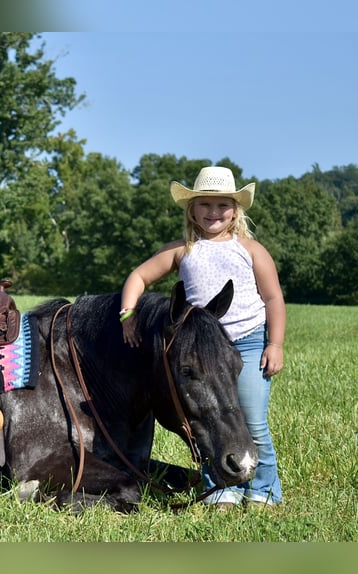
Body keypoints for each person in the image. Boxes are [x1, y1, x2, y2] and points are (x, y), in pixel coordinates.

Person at [120, 166, 285, 509]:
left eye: (222, 205)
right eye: (205, 205)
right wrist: (127, 316)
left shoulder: (251, 249)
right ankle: (221, 488)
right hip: (201, 350)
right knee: (207, 416)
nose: (213, 212)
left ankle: (265, 488)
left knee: (251, 418)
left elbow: (273, 298)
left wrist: (275, 344)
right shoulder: (183, 250)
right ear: (191, 209)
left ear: (235, 210)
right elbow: (138, 276)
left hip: (248, 342)